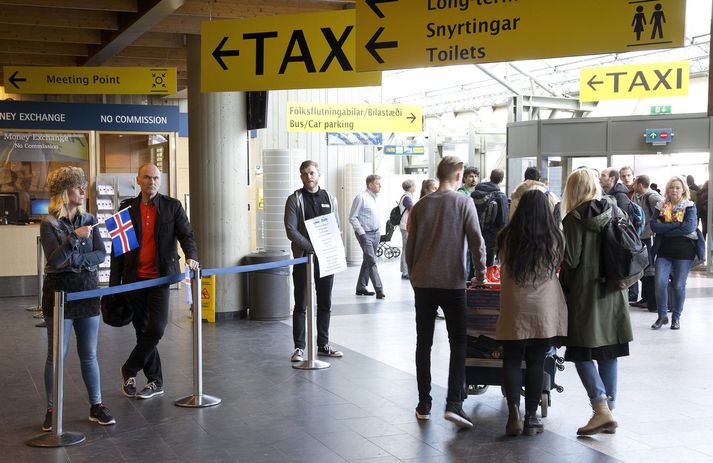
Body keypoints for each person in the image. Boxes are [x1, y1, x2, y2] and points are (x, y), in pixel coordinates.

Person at [406, 155, 486, 429]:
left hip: (423, 282)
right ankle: (454, 404)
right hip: (453, 283)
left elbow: (410, 248)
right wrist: (481, 274)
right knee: (458, 342)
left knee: (423, 342)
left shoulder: (421, 205)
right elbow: (477, 242)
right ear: (459, 174)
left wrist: (414, 276)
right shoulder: (464, 202)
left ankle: (423, 404)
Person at [111, 163, 199, 399]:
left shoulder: (172, 206)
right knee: (142, 331)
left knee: (156, 328)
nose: (151, 181)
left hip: (160, 278)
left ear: (160, 181)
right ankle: (155, 381)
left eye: (155, 178)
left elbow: (187, 235)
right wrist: (114, 287)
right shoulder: (126, 209)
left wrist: (191, 256)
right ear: (138, 180)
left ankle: (129, 368)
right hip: (134, 280)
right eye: (147, 177)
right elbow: (118, 251)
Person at [40, 167, 114, 431]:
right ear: (65, 192)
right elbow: (55, 260)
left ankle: (97, 405)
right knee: (56, 355)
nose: (83, 191)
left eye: (83, 187)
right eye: (78, 187)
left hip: (88, 293)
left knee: (89, 355)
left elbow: (100, 255)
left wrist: (76, 262)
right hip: (60, 297)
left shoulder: (90, 218)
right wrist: (73, 238)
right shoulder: (49, 223)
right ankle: (52, 409)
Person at [560, 168, 633, 436]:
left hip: (586, 295)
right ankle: (609, 411)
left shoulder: (575, 218)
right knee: (609, 352)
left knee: (581, 351)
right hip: (615, 291)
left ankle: (601, 408)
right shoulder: (617, 211)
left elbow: (571, 261)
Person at [496, 189, 567, 437]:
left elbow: (502, 262)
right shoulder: (555, 237)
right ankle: (531, 418)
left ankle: (513, 412)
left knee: (512, 359)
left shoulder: (506, 236)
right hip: (543, 307)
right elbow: (558, 263)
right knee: (537, 361)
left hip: (514, 304)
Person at [284, 160, 343, 362]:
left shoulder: (330, 198)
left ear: (318, 174)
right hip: (304, 259)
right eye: (305, 174)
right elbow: (291, 230)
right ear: (301, 177)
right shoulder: (295, 199)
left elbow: (336, 227)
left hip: (326, 259)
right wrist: (311, 247)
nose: (309, 176)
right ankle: (299, 348)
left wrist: (332, 248)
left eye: (312, 173)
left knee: (325, 302)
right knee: (301, 303)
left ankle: (323, 345)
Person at [650, 176, 700, 331]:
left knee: (678, 286)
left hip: (684, 253)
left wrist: (666, 228)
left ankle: (676, 318)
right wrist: (676, 224)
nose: (674, 190)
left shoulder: (689, 206)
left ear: (683, 189)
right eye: (672, 187)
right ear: (667, 190)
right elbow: (654, 227)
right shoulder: (661, 205)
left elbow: (689, 228)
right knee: (659, 283)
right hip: (664, 252)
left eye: (678, 187)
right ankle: (662, 316)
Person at [349, 174, 385, 299]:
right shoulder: (361, 197)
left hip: (376, 233)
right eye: (378, 183)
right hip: (366, 234)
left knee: (367, 260)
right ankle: (379, 290)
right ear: (370, 185)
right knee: (372, 261)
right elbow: (352, 217)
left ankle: (361, 287)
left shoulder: (374, 198)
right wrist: (362, 233)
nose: (380, 185)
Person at [632, 175, 663, 312]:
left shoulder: (652, 196)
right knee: (645, 268)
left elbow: (663, 212)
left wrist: (655, 228)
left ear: (640, 184)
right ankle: (645, 298)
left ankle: (652, 301)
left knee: (650, 269)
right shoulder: (639, 196)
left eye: (634, 182)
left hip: (650, 236)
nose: (632, 184)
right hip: (643, 236)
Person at [472, 168, 509, 266]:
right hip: (491, 235)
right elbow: (503, 221)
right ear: (501, 180)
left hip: (475, 232)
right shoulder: (500, 196)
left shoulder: (476, 193)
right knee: (488, 264)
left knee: (475, 261)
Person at [398, 179, 416, 280]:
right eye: (414, 185)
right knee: (406, 249)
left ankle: (405, 271)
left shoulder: (407, 197)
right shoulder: (407, 198)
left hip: (404, 226)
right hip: (405, 226)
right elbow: (413, 210)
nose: (415, 187)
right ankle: (405, 272)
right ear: (411, 187)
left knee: (406, 248)